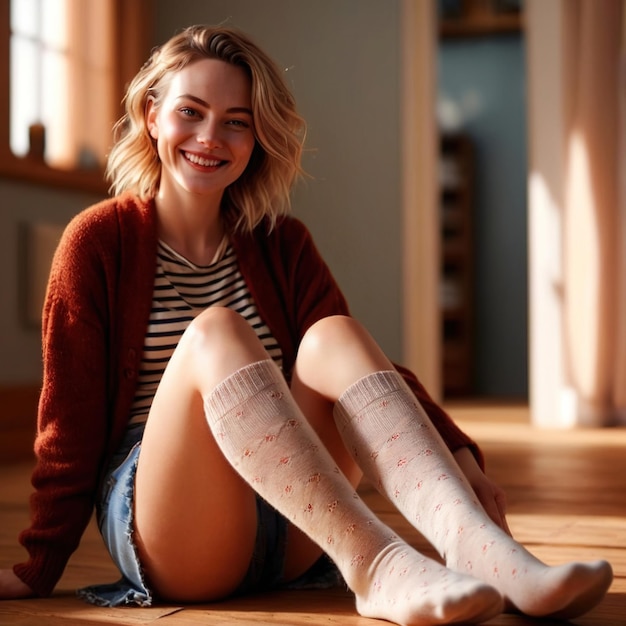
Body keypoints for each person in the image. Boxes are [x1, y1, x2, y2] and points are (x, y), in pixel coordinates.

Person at [0, 24, 613, 625]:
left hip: (295, 518)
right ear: (153, 114)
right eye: (192, 111)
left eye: (237, 121)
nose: (211, 137)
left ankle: (481, 551)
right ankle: (374, 567)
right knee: (217, 331)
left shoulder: (280, 243)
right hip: (177, 533)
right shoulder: (97, 243)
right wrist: (39, 564)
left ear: (257, 137)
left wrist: (460, 456)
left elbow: (363, 372)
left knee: (332, 336)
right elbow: (68, 420)